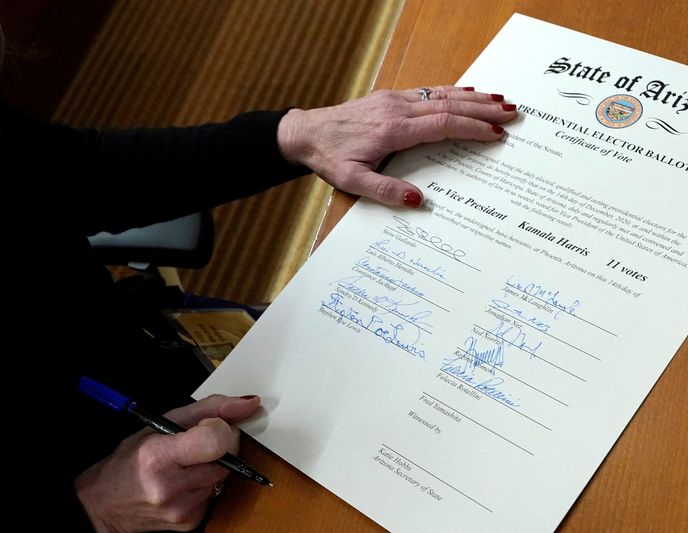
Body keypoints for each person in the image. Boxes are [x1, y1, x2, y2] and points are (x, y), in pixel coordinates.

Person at [5, 83, 517, 531]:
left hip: (153, 348)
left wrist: (293, 135)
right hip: (128, 493)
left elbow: (78, 171)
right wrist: (96, 512)